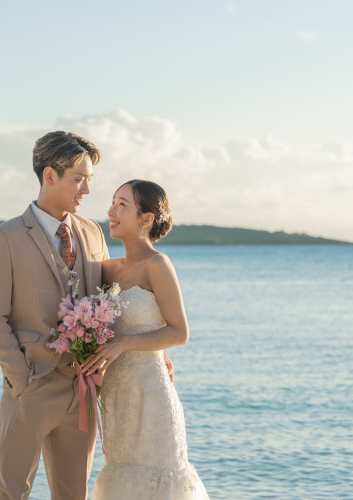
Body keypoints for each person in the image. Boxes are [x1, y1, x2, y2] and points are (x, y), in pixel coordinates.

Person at [0, 131, 109, 499]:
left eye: (89, 179)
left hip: (82, 390)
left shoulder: (92, 232)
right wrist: (21, 380)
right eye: (79, 179)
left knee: (73, 495)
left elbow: (109, 301)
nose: (86, 189)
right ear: (50, 175)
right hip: (32, 385)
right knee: (8, 492)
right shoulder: (5, 237)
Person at [81, 179, 210, 500]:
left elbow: (179, 331)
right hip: (116, 398)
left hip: (151, 397)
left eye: (122, 205)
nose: (111, 211)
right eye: (113, 202)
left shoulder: (158, 264)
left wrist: (124, 342)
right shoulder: (106, 270)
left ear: (146, 219)